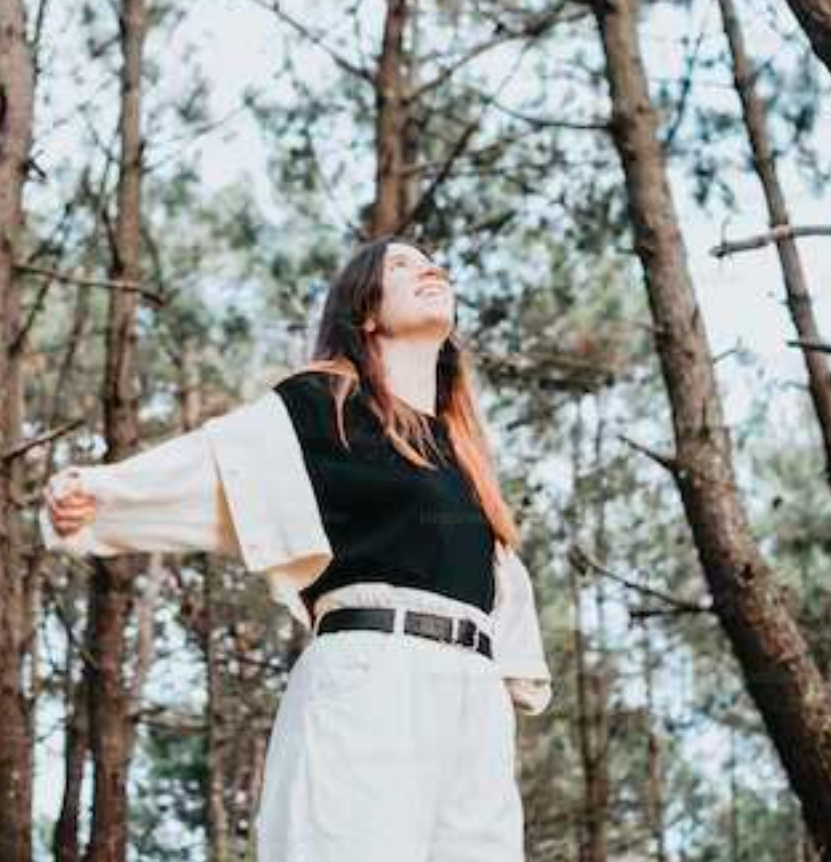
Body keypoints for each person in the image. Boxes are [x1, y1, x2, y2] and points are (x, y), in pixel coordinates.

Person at [43, 234, 552, 862]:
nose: (430, 270)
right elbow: (219, 463)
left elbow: (495, 576)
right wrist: (101, 497)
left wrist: (505, 685)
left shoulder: (465, 453)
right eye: (402, 265)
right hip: (372, 680)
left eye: (433, 263)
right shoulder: (322, 406)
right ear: (365, 312)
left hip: (473, 701)